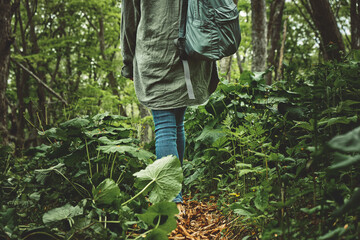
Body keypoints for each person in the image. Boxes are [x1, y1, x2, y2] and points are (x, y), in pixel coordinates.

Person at [120, 0, 219, 213]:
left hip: (155, 53)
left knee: (165, 126)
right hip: (191, 53)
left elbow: (129, 21)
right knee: (176, 124)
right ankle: (177, 192)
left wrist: (128, 63)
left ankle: (173, 199)